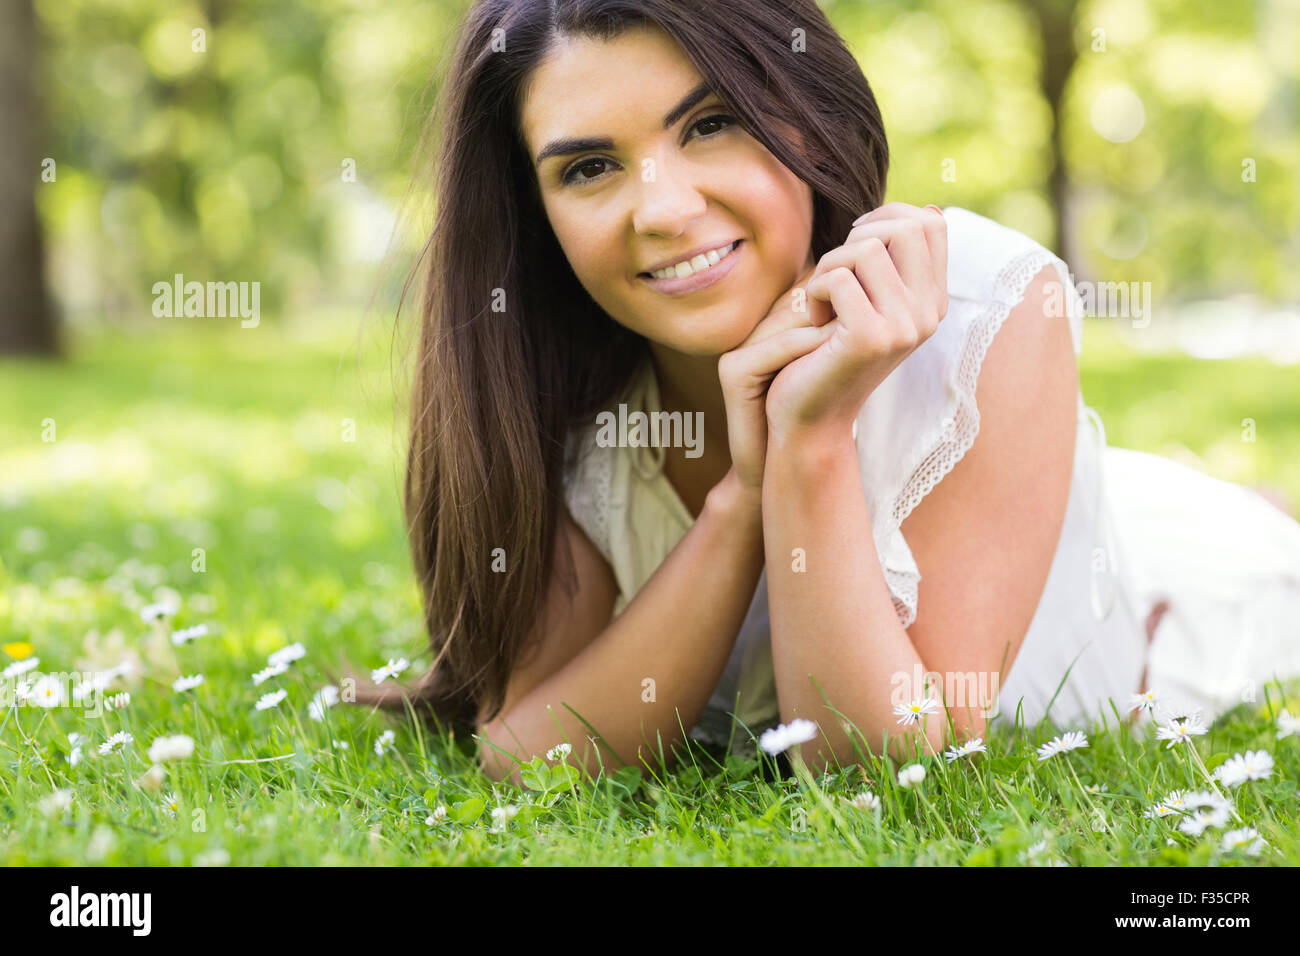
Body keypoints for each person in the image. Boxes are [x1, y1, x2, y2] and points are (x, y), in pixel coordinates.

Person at [358, 0, 1300, 784]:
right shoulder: (545, 373)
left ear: (807, 115)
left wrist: (810, 440)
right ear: (535, 208)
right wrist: (738, 505)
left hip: (1163, 594)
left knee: (1246, 543)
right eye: (590, 167)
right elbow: (522, 753)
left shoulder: (991, 304)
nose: (666, 210)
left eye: (711, 123)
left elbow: (881, 772)